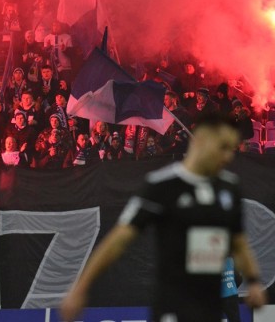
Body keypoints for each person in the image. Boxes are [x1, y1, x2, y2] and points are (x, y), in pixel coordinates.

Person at [60, 113, 267, 322]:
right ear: (202, 142)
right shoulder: (161, 185)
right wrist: (81, 287)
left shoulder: (229, 188)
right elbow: (118, 240)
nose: (228, 156)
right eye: (223, 147)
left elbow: (238, 240)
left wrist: (254, 281)